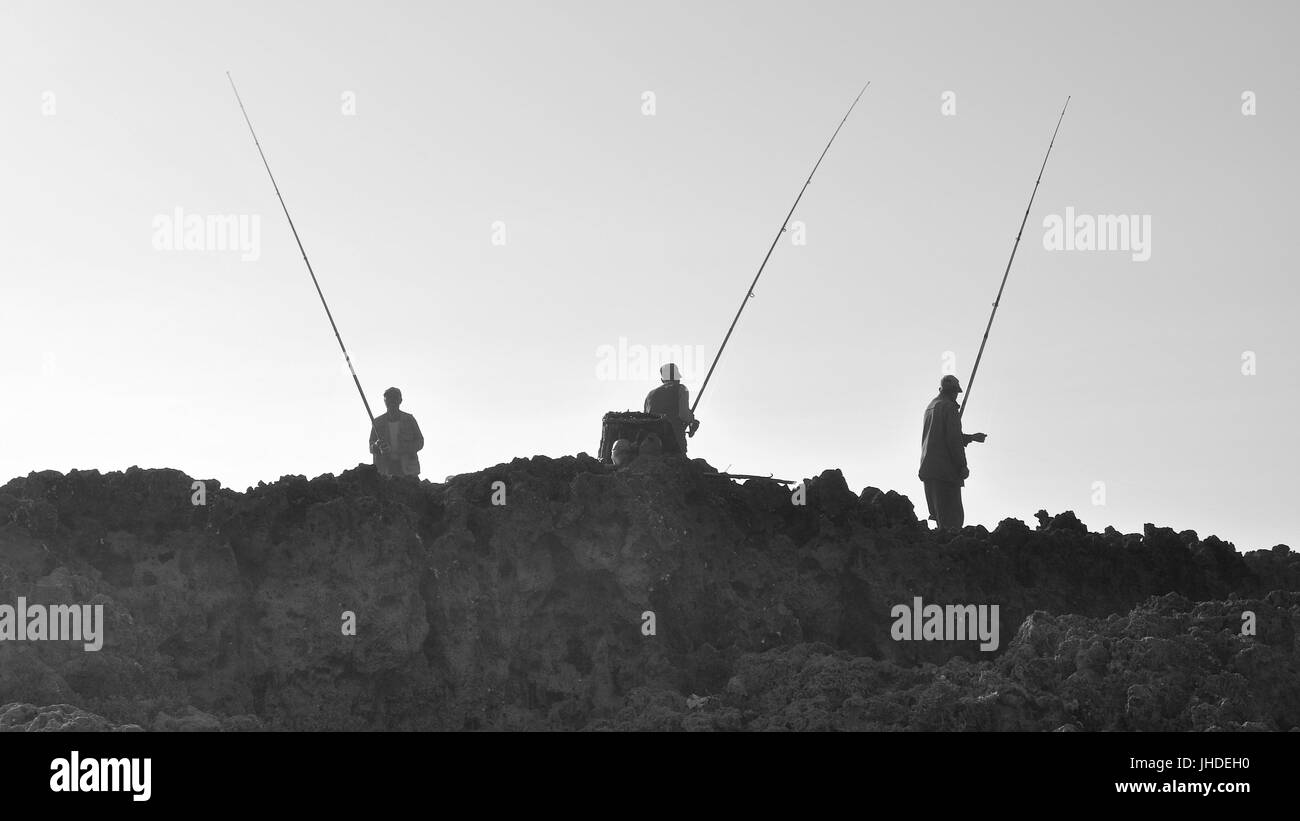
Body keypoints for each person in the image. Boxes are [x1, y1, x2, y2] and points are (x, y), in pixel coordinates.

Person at [918, 375, 986, 530]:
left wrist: (971, 438)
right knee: (952, 522)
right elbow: (953, 440)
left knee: (941, 521)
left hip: (929, 470)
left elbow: (941, 435)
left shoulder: (931, 407)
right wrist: (962, 466)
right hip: (945, 473)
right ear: (954, 392)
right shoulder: (949, 408)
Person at [643, 363, 699, 454]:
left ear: (662, 380)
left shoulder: (650, 394)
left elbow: (646, 418)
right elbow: (684, 415)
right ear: (677, 377)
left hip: (653, 444)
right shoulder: (682, 389)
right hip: (674, 443)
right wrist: (692, 421)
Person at [369, 387, 424, 478]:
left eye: (394, 399)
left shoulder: (409, 420)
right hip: (385, 470)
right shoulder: (377, 422)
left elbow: (420, 441)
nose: (391, 402)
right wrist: (377, 445)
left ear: (400, 400)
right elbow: (371, 446)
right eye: (389, 399)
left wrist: (404, 449)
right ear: (385, 402)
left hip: (408, 471)